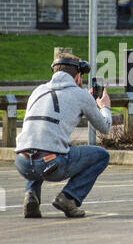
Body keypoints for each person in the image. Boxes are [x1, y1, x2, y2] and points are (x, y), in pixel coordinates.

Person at [15, 53, 112, 218]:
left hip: (22, 162)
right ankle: (69, 198)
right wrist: (105, 107)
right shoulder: (80, 95)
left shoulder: (38, 90)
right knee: (101, 155)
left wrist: (85, 99)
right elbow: (105, 127)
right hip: (50, 164)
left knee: (38, 140)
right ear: (78, 75)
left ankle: (31, 194)